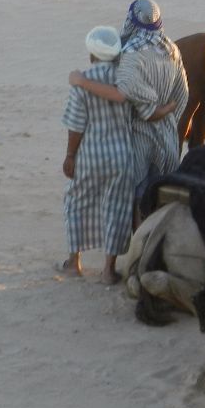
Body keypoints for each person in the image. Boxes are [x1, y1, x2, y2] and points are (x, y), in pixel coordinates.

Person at [68, 0, 188, 215]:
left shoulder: (128, 52)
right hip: (168, 140)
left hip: (135, 141)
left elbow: (122, 93)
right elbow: (182, 95)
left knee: (135, 202)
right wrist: (167, 119)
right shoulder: (173, 50)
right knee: (164, 200)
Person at [58, 27, 135, 283]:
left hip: (90, 153)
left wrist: (70, 156)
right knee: (117, 207)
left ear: (92, 53)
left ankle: (74, 262)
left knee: (77, 203)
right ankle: (108, 270)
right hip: (121, 154)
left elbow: (76, 125)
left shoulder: (83, 81)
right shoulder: (125, 79)